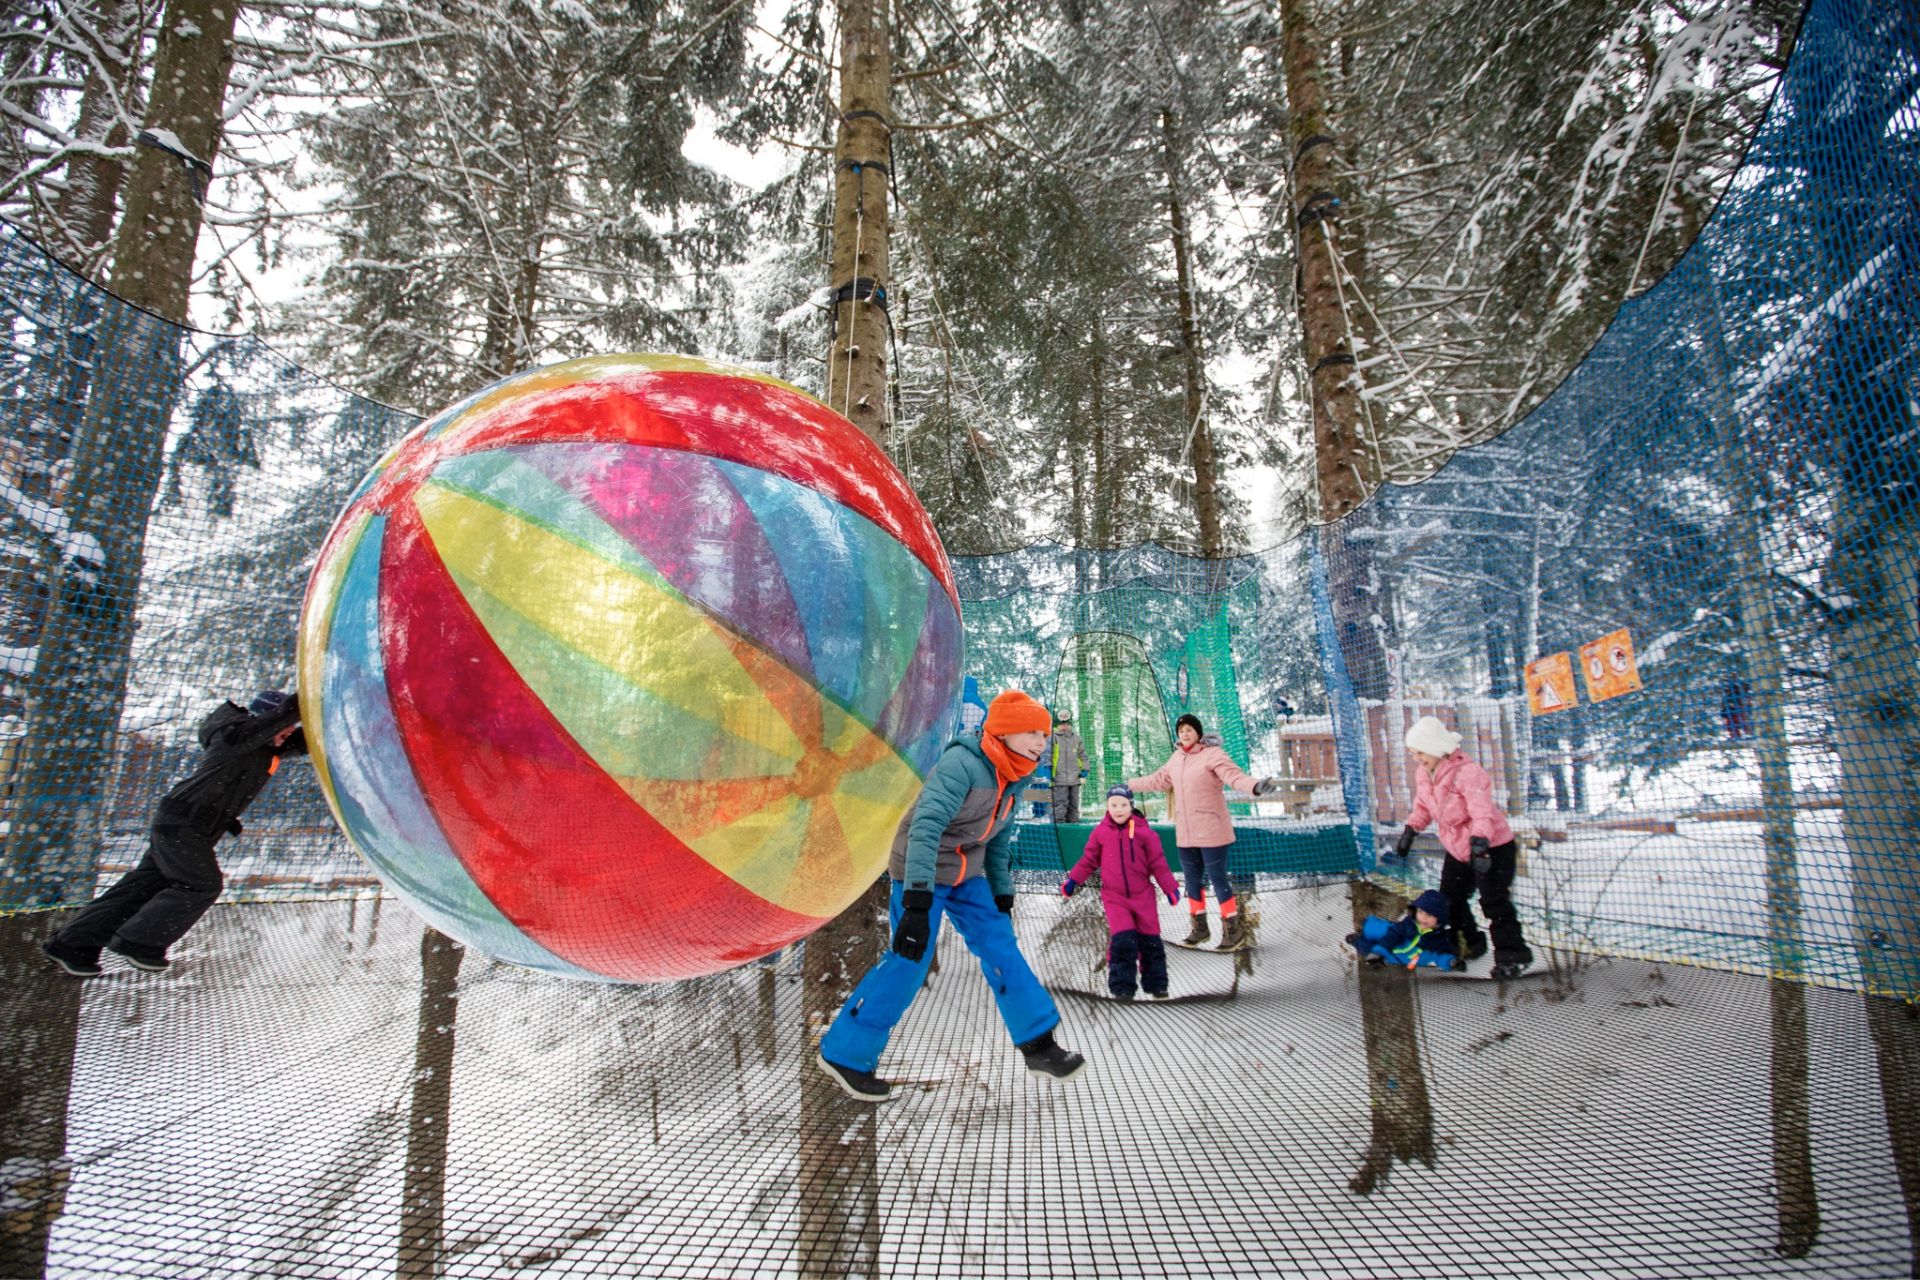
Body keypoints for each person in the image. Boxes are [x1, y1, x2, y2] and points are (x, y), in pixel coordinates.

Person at [816, 690, 1086, 1103]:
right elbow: (925, 828)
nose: (1041, 741)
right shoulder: (963, 764)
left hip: (967, 872)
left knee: (1002, 947)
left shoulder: (1017, 773)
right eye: (1032, 731)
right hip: (922, 871)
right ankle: (846, 1055)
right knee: (910, 959)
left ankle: (1039, 1045)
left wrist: (1001, 892)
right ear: (1006, 731)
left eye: (1043, 733)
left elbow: (998, 841)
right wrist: (917, 903)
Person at [41, 690, 304, 976]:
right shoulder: (236, 736)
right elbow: (281, 715)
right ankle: (139, 942)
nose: (287, 735)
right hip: (183, 825)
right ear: (265, 720)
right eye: (284, 728)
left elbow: (303, 740)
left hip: (186, 825)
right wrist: (310, 693)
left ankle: (72, 946)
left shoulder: (262, 746)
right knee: (201, 884)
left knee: (142, 887)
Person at [1391, 716, 1535, 979]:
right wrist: (1411, 829)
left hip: (1492, 845)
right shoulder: (1424, 773)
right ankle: (1470, 944)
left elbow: (1482, 811)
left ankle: (1513, 956)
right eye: (1413, 753)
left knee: (1494, 901)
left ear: (1434, 747)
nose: (1416, 757)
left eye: (1419, 751)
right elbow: (1423, 806)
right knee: (1449, 900)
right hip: (1458, 848)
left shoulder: (1467, 772)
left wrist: (1480, 843)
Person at [1128, 714, 1277, 951]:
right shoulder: (1177, 758)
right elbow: (1159, 780)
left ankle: (1233, 930)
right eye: (1181, 731)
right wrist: (1130, 785)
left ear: (1198, 732)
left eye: (1189, 730)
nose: (1185, 734)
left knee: (1218, 879)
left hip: (1211, 829)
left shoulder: (1213, 755)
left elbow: (1234, 776)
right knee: (1192, 882)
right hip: (1186, 832)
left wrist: (1255, 786)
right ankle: (1200, 929)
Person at [1061, 784, 1179, 1000]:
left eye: (1123, 805)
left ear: (1131, 806)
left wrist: (1170, 888)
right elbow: (1089, 860)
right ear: (1107, 807)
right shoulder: (1101, 833)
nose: (1118, 809)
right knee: (1123, 939)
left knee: (1150, 940)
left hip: (1143, 896)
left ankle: (1157, 985)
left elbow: (1158, 864)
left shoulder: (1146, 834)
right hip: (1115, 897)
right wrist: (1073, 880)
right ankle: (1122, 986)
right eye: (1114, 805)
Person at [1345, 889, 1460, 970]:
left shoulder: (1439, 939)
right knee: (1385, 931)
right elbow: (1392, 937)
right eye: (1420, 912)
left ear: (1439, 920)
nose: (1423, 917)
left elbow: (1440, 955)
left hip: (1402, 959)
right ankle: (1365, 928)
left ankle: (1356, 940)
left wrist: (1450, 962)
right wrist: (1379, 952)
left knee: (1366, 949)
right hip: (1391, 948)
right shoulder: (1409, 925)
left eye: (1429, 915)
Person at [1047, 711, 1090, 823]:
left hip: (1074, 778)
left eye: (1067, 723)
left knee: (1074, 805)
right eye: (1062, 724)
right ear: (1056, 725)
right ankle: (1059, 827)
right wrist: (1047, 768)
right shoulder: (1052, 738)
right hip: (1058, 778)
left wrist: (1085, 767)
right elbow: (1047, 754)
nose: (1065, 726)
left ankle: (1073, 825)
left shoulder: (1076, 739)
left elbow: (1082, 754)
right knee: (1060, 804)